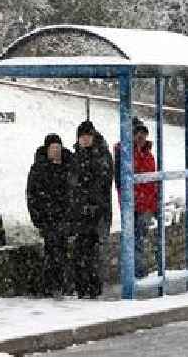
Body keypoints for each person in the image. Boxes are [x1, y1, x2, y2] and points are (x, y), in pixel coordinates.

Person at [26, 133, 76, 298]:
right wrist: (38, 217)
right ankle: (52, 284)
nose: (56, 151)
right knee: (53, 251)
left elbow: (75, 191)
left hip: (65, 217)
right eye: (53, 148)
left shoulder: (69, 166)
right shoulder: (39, 169)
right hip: (48, 219)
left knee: (63, 252)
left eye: (58, 148)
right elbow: (32, 195)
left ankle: (61, 284)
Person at [72, 120, 113, 298]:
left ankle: (93, 287)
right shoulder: (77, 156)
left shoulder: (101, 155)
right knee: (81, 250)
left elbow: (102, 183)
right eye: (82, 136)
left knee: (94, 251)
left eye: (88, 136)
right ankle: (82, 286)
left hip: (98, 212)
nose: (85, 139)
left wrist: (92, 203)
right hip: (81, 213)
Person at [113, 117, 158, 278]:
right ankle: (134, 273)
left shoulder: (147, 155)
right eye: (137, 134)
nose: (140, 137)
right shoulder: (124, 153)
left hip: (145, 205)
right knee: (133, 240)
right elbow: (120, 182)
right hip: (132, 204)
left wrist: (155, 204)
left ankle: (136, 272)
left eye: (143, 134)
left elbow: (153, 181)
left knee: (137, 240)